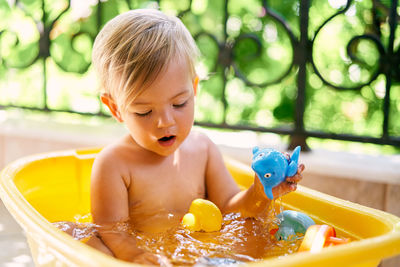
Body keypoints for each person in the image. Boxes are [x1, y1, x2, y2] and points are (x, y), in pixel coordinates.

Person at [89, 8, 304, 265]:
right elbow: (112, 232)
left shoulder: (202, 149)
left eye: (179, 104)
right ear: (115, 108)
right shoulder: (114, 164)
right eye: (144, 112)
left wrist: (261, 192)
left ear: (193, 88)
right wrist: (135, 256)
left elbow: (232, 208)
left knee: (252, 230)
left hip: (201, 258)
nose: (165, 122)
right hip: (152, 259)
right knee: (86, 242)